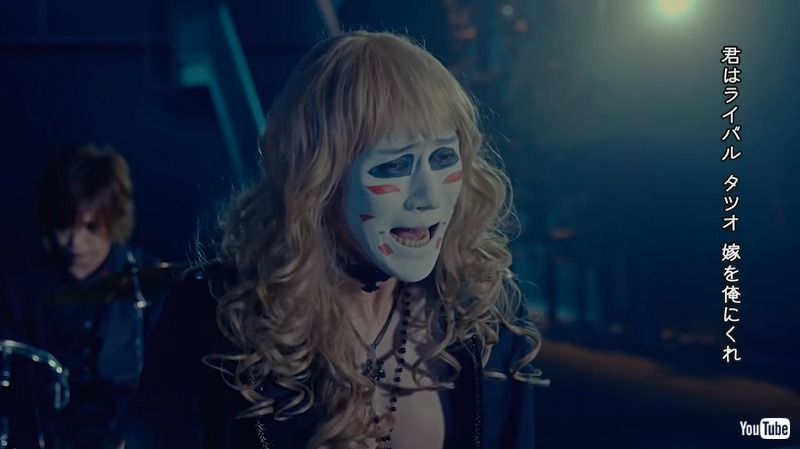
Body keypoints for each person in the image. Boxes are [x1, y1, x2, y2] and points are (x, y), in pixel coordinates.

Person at [133, 30, 547, 449]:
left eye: (443, 158)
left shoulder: (485, 315)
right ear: (319, 177)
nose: (430, 196)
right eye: (394, 165)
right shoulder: (213, 320)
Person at [0, 144, 165, 449]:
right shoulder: (21, 291)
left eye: (90, 227)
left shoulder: (150, 285)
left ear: (114, 219)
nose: (75, 243)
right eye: (65, 226)